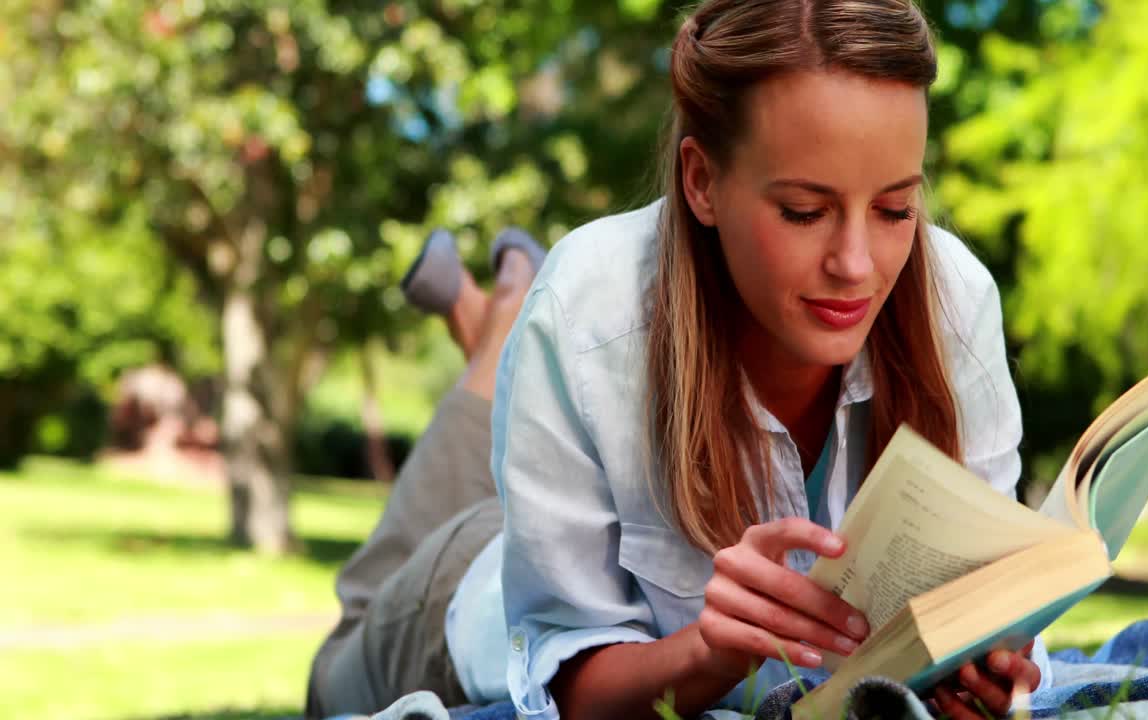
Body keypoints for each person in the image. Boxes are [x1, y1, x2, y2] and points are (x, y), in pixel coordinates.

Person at [309, 1, 1050, 718]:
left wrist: (988, 668)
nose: (856, 265)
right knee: (337, 668)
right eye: (803, 211)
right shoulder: (588, 313)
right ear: (701, 182)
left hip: (563, 463)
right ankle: (502, 325)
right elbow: (572, 696)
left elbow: (986, 609)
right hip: (462, 599)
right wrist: (709, 652)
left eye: (895, 210)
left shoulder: (952, 298)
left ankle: (494, 329)